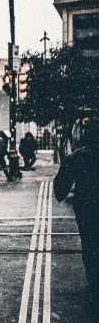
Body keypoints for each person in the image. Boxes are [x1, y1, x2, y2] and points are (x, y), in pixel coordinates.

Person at [54, 120, 99, 303]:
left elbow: (61, 185)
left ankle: (94, 281)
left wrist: (62, 193)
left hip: (86, 204)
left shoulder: (78, 156)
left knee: (89, 243)